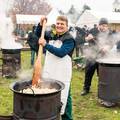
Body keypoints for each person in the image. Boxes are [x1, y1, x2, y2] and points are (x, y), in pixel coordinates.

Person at [35, 15, 75, 120]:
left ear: (67, 26)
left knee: (65, 96)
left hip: (62, 71)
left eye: (62, 24)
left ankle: (67, 118)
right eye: (58, 23)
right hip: (51, 69)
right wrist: (40, 24)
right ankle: (51, 115)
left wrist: (46, 45)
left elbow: (61, 53)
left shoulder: (69, 39)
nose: (59, 26)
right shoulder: (53, 35)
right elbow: (39, 34)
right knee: (50, 92)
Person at [80, 18, 116, 107]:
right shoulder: (93, 30)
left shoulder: (110, 33)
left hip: (103, 57)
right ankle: (86, 89)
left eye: (105, 25)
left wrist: (107, 47)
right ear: (99, 25)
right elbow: (85, 38)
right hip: (91, 56)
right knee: (88, 73)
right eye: (102, 25)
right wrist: (87, 39)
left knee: (102, 75)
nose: (104, 27)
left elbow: (111, 43)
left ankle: (102, 91)